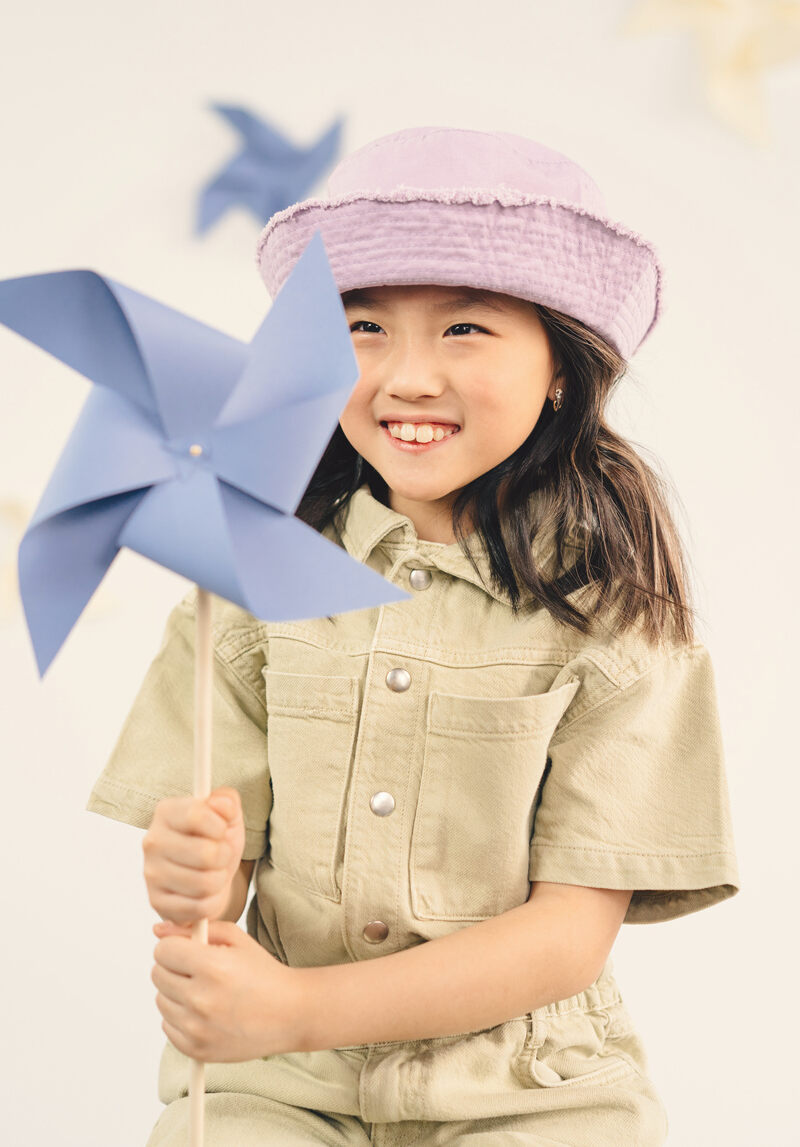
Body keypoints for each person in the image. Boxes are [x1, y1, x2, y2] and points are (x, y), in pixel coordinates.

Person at [88, 126, 740, 1146]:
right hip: (279, 1081)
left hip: (527, 1085)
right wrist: (193, 873)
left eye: (465, 329)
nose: (406, 377)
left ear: (561, 368)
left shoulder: (616, 618)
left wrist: (298, 1005)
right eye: (362, 328)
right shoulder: (247, 581)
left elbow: (569, 935)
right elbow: (216, 880)